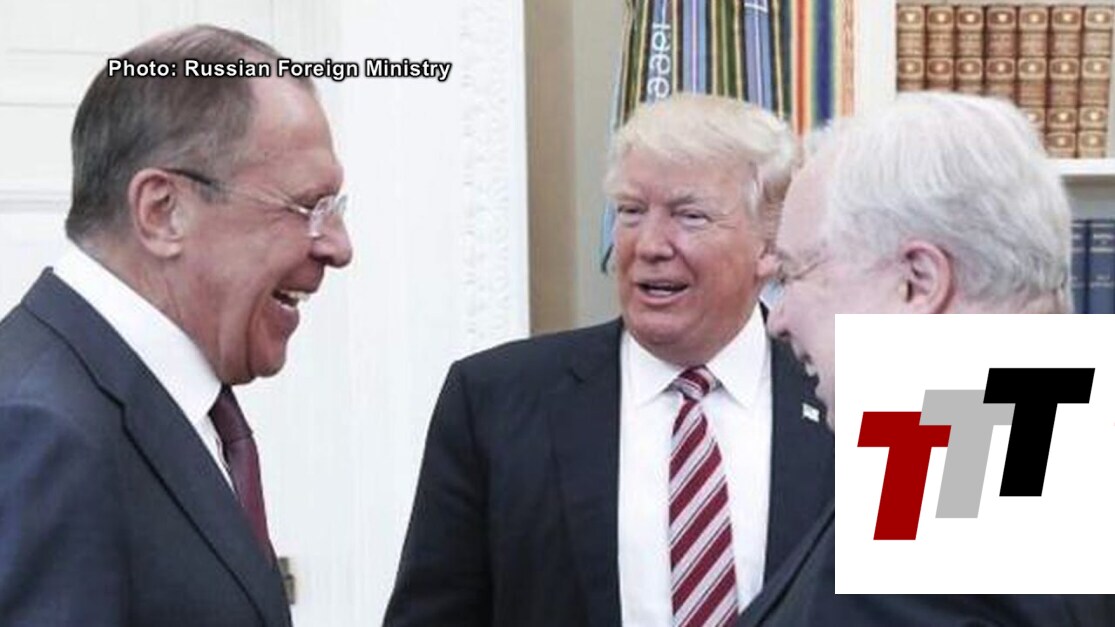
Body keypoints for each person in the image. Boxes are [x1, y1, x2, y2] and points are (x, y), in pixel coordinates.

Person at [385, 93, 832, 627]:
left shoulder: (885, 406)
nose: (649, 244)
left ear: (770, 246)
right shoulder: (493, 400)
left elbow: (914, 610)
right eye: (631, 212)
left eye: (689, 216)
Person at [0, 25, 351, 626]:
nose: (338, 247)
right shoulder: (41, 429)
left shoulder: (163, 403)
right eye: (307, 208)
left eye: (335, 211)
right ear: (163, 211)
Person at [741, 91, 1112, 625]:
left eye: (794, 274)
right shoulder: (1044, 426)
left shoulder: (959, 473)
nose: (778, 319)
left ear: (918, 281)